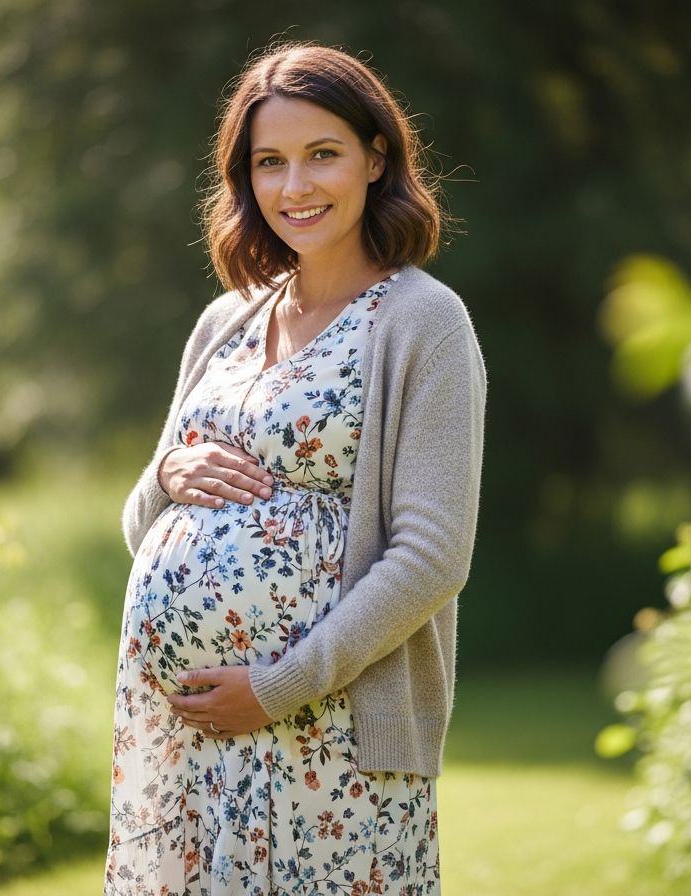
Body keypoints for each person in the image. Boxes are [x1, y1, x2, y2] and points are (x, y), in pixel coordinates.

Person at [105, 40, 486, 896]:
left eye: (323, 155)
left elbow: (433, 555)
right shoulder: (224, 324)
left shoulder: (424, 321)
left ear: (375, 157)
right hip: (184, 743)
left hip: (330, 735)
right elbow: (141, 527)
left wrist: (278, 687)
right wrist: (168, 473)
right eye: (269, 162)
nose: (295, 187)